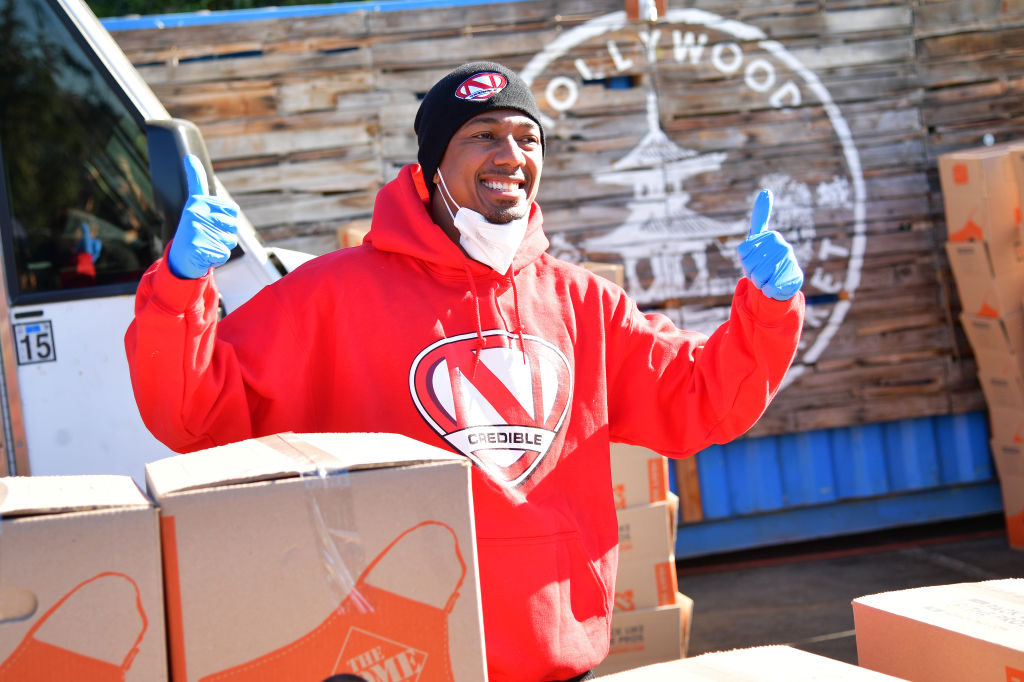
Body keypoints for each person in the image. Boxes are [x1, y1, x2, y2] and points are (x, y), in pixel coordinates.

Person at [125, 61, 805, 682]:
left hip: (552, 658)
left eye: (527, 138)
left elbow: (700, 397)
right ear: (429, 169)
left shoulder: (583, 302)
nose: (511, 155)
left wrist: (769, 310)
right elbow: (194, 416)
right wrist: (181, 286)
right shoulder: (328, 296)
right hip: (396, 657)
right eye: (483, 136)